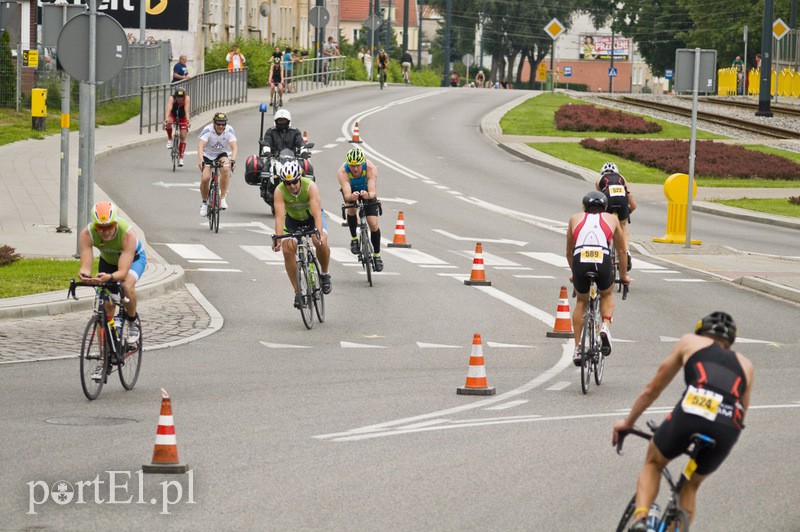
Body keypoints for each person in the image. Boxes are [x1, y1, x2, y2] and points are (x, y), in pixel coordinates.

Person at [612, 312, 754, 531]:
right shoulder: (746, 365)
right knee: (691, 485)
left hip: (692, 412)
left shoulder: (690, 341)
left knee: (654, 463)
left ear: (701, 330)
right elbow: (741, 413)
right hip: (726, 428)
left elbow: (653, 389)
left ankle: (641, 520)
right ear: (731, 342)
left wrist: (629, 422)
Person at [566, 191, 629, 366]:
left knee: (581, 301)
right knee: (607, 295)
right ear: (605, 207)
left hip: (580, 258)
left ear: (584, 207)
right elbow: (622, 250)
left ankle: (578, 348)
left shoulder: (574, 218)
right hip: (602, 258)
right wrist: (623, 276)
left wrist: (574, 272)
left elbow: (569, 251)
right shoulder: (612, 219)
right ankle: (605, 326)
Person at [78, 201, 146, 352]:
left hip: (134, 260)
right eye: (100, 227)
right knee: (105, 306)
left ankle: (133, 322)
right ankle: (104, 356)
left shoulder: (127, 234)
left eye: (109, 226)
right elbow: (86, 266)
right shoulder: (86, 234)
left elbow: (122, 272)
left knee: (125, 286)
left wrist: (109, 277)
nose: (105, 231)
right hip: (108, 261)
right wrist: (85, 274)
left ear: (115, 223)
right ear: (95, 225)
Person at [272, 160, 332, 308]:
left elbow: (317, 213)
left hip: (312, 218)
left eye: (294, 181)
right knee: (287, 250)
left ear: (299, 177)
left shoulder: (310, 186)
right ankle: (298, 292)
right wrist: (278, 238)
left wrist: (318, 233)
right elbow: (280, 217)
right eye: (287, 183)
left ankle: (324, 274)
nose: (291, 186)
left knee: (320, 242)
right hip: (293, 221)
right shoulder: (279, 191)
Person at [337, 147, 383, 272]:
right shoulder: (342, 172)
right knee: (351, 209)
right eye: (352, 166)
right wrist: (352, 197)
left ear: (362, 163)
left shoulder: (370, 168)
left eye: (357, 165)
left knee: (373, 224)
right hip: (351, 191)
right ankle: (354, 240)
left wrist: (367, 195)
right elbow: (347, 195)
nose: (355, 169)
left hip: (367, 191)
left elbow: (372, 191)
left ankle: (377, 255)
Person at [596, 161, 637, 271]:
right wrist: (628, 211)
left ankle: (606, 250)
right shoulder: (621, 178)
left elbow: (600, 199)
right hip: (622, 198)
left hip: (608, 197)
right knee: (623, 226)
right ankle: (626, 252)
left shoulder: (599, 180)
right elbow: (632, 203)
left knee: (605, 225)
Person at [197, 112, 238, 216]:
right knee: (205, 178)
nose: (221, 126)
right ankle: (204, 203)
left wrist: (233, 160)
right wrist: (201, 160)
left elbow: (234, 147)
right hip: (208, 155)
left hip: (221, 154)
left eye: (223, 124)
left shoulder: (229, 130)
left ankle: (222, 197)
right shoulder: (208, 129)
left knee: (225, 168)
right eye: (218, 124)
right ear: (214, 123)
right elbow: (200, 146)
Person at [163, 88, 191, 167]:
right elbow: (169, 108)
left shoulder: (187, 99)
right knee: (168, 122)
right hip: (173, 114)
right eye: (178, 97)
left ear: (184, 96)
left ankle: (181, 158)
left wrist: (188, 121)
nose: (179, 99)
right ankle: (170, 140)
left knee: (182, 135)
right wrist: (166, 119)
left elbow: (186, 110)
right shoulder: (172, 98)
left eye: (181, 97)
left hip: (183, 116)